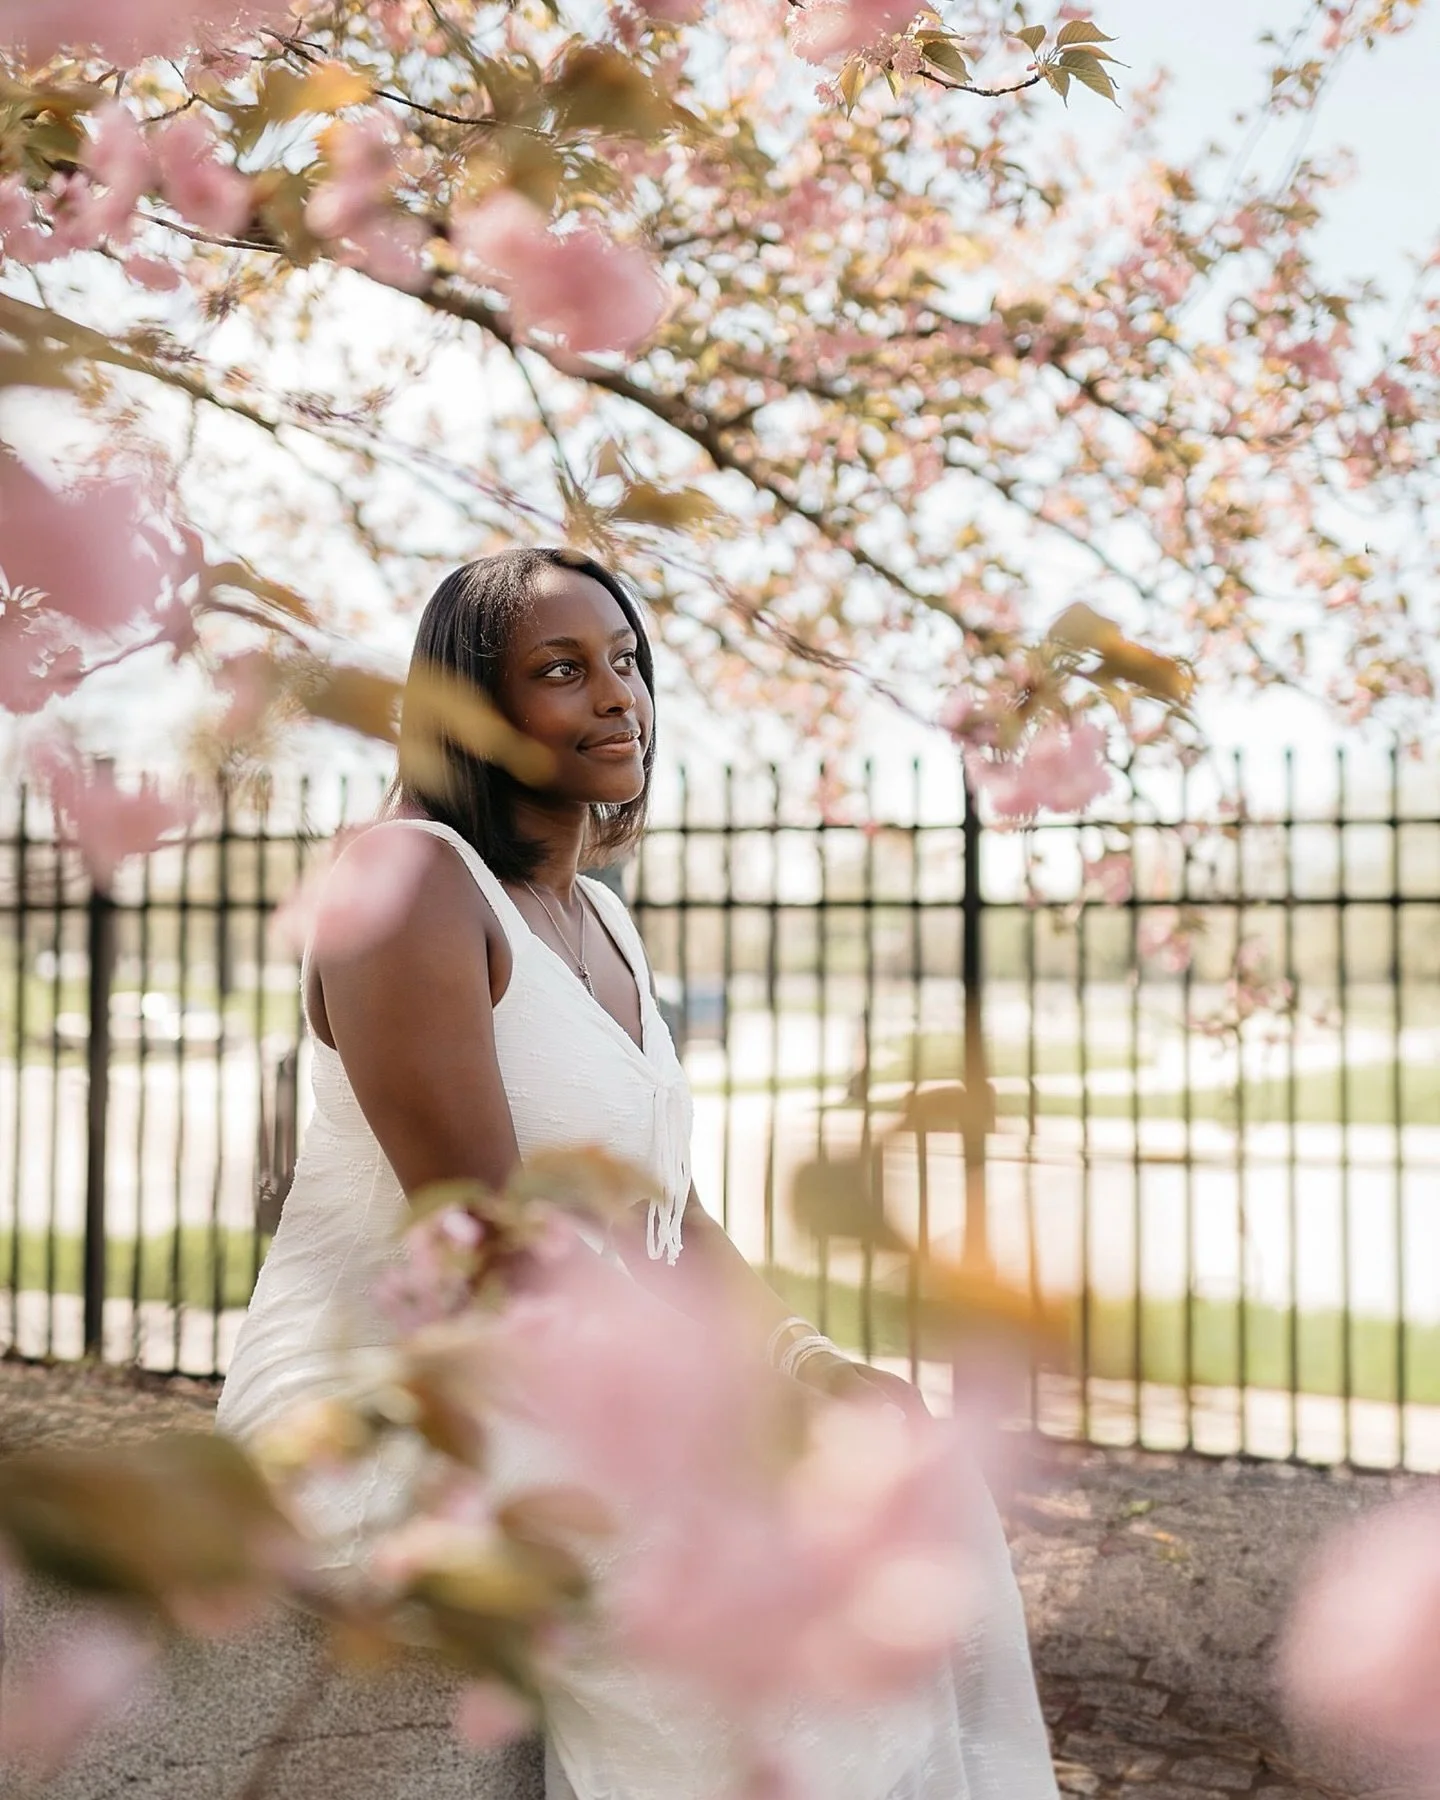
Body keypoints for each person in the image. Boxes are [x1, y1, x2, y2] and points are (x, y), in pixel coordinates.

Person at [216, 547, 1059, 1800]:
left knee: (920, 1497)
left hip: (571, 1381)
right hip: (391, 1405)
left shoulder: (601, 915)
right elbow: (492, 1244)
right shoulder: (404, 887)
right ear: (473, 707)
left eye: (626, 664)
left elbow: (676, 1218)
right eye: (561, 670)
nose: (618, 698)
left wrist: (806, 1364)